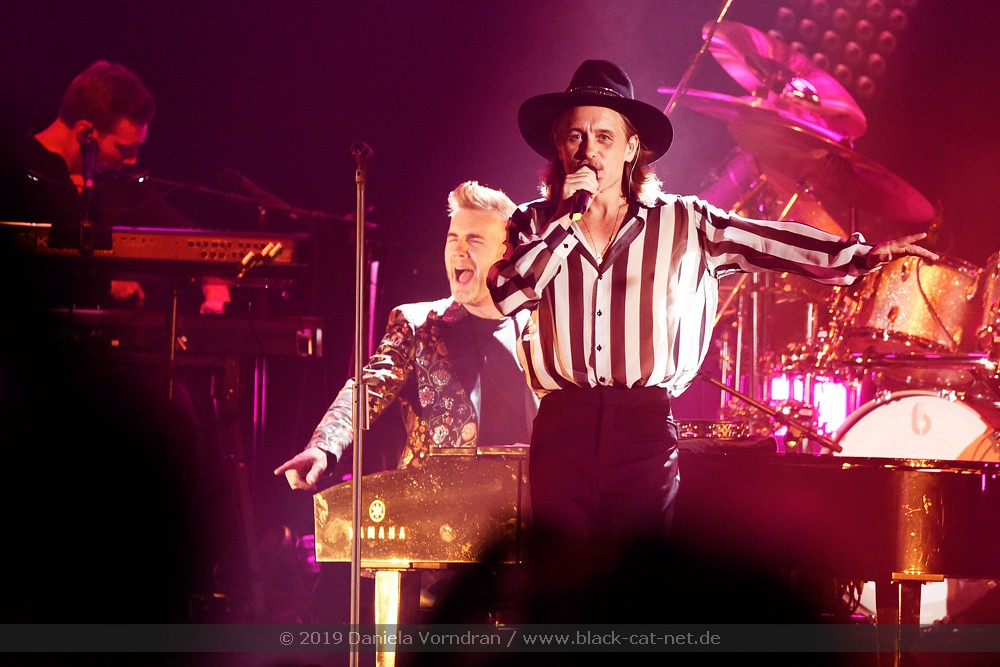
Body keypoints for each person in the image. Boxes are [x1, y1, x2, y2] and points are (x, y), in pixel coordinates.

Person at [487, 59, 939, 546]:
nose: (589, 151)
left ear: (631, 148)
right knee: (562, 578)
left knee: (635, 578)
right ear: (558, 145)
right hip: (563, 428)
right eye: (576, 136)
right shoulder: (532, 223)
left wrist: (858, 255)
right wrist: (564, 223)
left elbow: (768, 241)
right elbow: (507, 293)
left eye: (604, 137)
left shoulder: (685, 221)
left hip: (642, 428)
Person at [275, 179, 539, 488]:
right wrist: (323, 447)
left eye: (474, 240)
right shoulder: (418, 325)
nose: (458, 250)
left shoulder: (539, 325)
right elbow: (366, 389)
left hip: (525, 505)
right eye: (453, 238)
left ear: (508, 253)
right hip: (440, 507)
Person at [0, 59, 229, 313]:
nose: (133, 160)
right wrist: (103, 283)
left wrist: (213, 284)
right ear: (84, 132)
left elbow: (191, 240)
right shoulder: (11, 166)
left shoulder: (119, 182)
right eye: (123, 148)